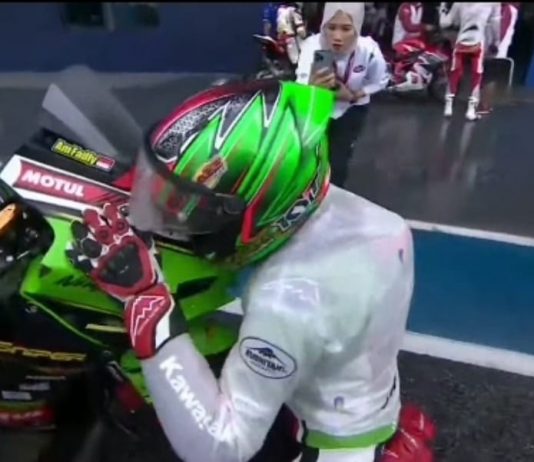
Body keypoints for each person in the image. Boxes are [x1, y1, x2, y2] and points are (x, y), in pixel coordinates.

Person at [66, 79, 436, 461]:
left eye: (197, 211)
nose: (178, 220)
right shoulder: (385, 225)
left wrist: (147, 302)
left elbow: (220, 448)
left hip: (327, 447)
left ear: (262, 209)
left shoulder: (287, 301)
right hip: (365, 396)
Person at [295, 3, 388, 188]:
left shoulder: (368, 50)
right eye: (331, 27)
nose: (337, 37)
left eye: (346, 29)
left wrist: (356, 94)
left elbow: (380, 80)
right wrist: (313, 85)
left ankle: (332, 194)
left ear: (357, 28)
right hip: (318, 108)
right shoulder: (313, 46)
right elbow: (302, 83)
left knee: (338, 160)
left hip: (351, 110)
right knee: (309, 156)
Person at [439, 2, 501, 121]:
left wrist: (442, 8)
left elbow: (446, 23)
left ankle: (448, 107)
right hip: (478, 42)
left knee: (455, 73)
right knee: (477, 74)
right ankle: (471, 111)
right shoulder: (493, 4)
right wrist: (496, 41)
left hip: (462, 41)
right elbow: (495, 24)